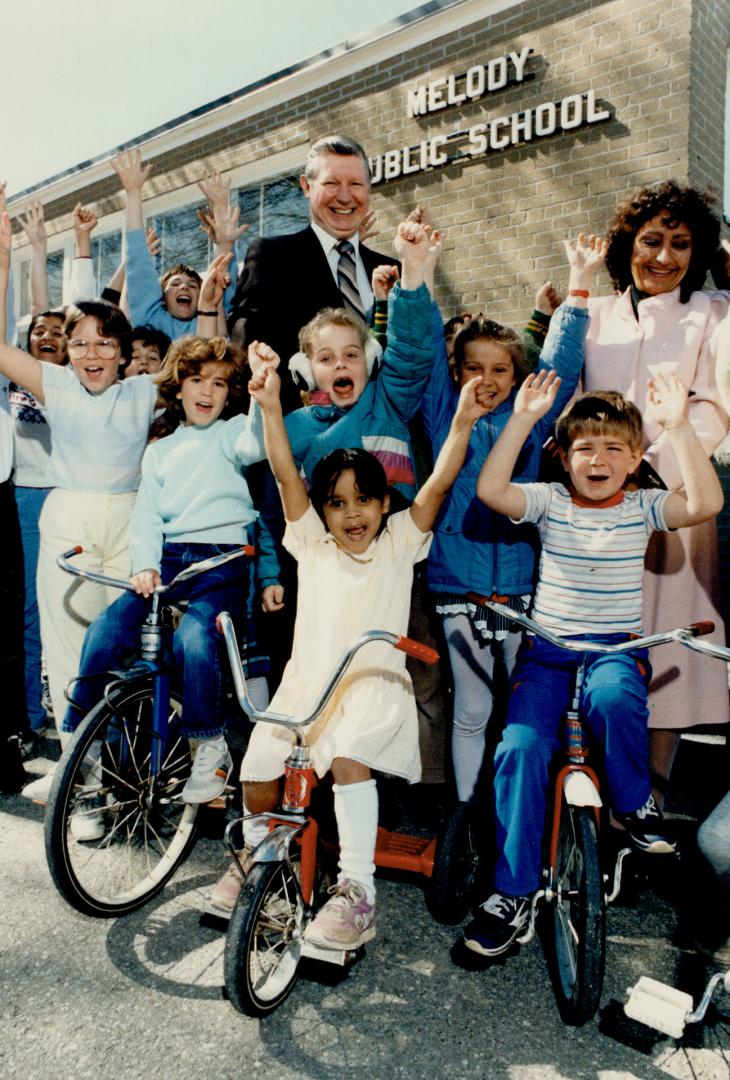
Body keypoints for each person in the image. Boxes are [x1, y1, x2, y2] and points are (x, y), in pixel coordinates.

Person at [210, 353, 491, 946]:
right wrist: (268, 407)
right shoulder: (312, 544)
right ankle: (265, 862)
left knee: (348, 758)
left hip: (372, 686)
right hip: (309, 685)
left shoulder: (398, 545)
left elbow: (437, 483)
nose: (352, 513)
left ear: (384, 503)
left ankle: (357, 891)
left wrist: (461, 421)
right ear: (324, 512)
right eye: (337, 503)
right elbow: (287, 475)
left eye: (364, 499)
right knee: (259, 767)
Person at [462, 370, 723, 959]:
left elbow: (707, 502)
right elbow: (492, 492)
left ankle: (633, 805)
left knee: (614, 700)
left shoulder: (643, 507)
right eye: (585, 447)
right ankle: (512, 892)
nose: (598, 458)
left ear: (634, 460)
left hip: (613, 649)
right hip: (548, 652)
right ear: (564, 457)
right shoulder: (551, 501)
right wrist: (524, 419)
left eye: (613, 448)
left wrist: (678, 425)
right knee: (519, 749)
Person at [421, 234, 605, 804]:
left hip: (525, 590)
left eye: (500, 368)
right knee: (472, 708)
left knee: (520, 707)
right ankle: (466, 815)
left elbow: (561, 362)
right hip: (460, 585)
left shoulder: (532, 417)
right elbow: (424, 348)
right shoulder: (443, 414)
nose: (487, 379)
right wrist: (419, 274)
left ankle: (519, 806)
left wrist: (578, 287)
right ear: (457, 374)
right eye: (474, 367)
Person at [61, 336, 270, 833]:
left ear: (230, 393)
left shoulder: (233, 432)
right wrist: (145, 564)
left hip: (222, 560)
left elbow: (256, 443)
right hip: (171, 559)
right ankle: (76, 749)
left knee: (195, 637)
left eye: (220, 383)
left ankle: (209, 746)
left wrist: (264, 393)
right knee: (107, 631)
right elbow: (148, 516)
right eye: (197, 380)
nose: (207, 391)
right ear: (178, 387)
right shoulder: (160, 451)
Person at [0, 210, 159, 801]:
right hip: (68, 519)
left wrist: (137, 200)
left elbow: (196, 340)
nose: (92, 353)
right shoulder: (56, 384)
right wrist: (4, 256)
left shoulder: (143, 390)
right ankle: (80, 785)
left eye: (105, 342)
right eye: (80, 343)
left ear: (123, 350)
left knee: (118, 651)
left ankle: (119, 774)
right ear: (65, 350)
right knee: (67, 652)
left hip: (130, 523)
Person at [581, 182, 730, 802]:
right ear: (628, 244)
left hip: (672, 504)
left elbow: (717, 405)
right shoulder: (594, 314)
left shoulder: (714, 313)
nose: (664, 257)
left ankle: (649, 804)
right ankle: (589, 792)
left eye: (680, 244)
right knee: (597, 649)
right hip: (595, 506)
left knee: (666, 648)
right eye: (651, 241)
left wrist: (654, 467)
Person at [228, 134, 399, 412]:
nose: (345, 196)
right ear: (306, 186)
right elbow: (250, 352)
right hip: (304, 441)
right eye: (331, 183)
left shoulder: (394, 272)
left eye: (356, 184)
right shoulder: (272, 257)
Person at [111, 151, 244, 339]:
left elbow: (220, 274)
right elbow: (137, 260)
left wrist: (221, 208)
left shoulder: (214, 315)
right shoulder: (151, 319)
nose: (184, 287)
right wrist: (133, 193)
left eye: (193, 285)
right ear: (162, 298)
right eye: (175, 283)